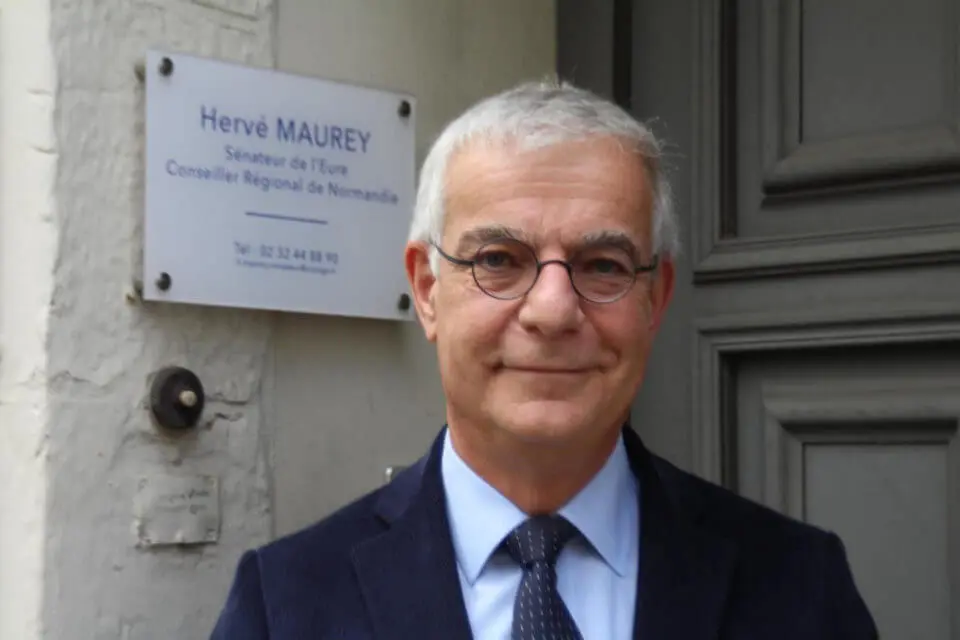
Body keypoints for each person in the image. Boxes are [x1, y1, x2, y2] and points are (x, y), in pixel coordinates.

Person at [210, 79, 878, 639]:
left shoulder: (801, 588)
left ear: (656, 296)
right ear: (427, 290)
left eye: (604, 264)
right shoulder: (286, 604)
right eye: (498, 259)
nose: (553, 311)